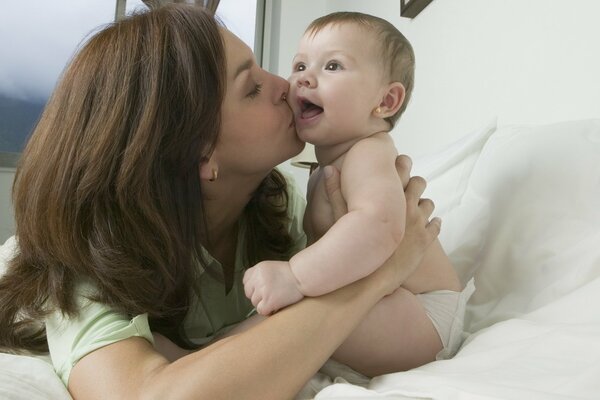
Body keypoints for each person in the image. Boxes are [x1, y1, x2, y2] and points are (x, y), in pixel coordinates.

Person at [0, 5, 442, 399]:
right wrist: (376, 278)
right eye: (251, 88)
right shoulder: (80, 264)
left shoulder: (283, 199)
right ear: (200, 154)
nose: (286, 84)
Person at [243, 11, 474, 370]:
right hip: (389, 298)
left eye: (332, 66)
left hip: (424, 312)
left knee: (295, 313)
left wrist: (295, 276)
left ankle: (219, 353)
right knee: (291, 320)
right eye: (300, 64)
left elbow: (379, 224)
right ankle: (219, 350)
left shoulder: (369, 151)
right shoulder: (325, 167)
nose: (304, 78)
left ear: (386, 102)